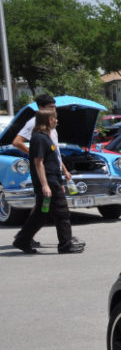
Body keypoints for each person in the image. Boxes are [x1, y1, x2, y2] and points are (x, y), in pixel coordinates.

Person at [12, 109, 84, 254]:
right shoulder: (38, 138)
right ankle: (65, 245)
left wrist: (60, 181)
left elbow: (52, 162)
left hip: (53, 180)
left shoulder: (46, 137)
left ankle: (22, 240)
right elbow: (39, 163)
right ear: (47, 121)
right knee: (61, 212)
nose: (56, 121)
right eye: (54, 118)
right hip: (48, 182)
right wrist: (45, 185)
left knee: (41, 214)